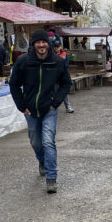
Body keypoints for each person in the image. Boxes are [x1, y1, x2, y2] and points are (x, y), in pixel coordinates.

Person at [10, 29, 71, 194]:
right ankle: (42, 161)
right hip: (30, 110)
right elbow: (14, 84)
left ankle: (51, 178)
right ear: (34, 44)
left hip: (49, 109)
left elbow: (66, 83)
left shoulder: (57, 61)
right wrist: (22, 106)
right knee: (35, 142)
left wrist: (56, 102)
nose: (41, 45)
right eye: (38, 42)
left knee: (48, 142)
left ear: (48, 43)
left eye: (44, 42)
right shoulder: (23, 61)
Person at [51, 36, 74, 113]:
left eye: (58, 47)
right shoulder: (50, 55)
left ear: (60, 47)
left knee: (64, 92)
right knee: (54, 92)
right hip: (54, 77)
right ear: (53, 47)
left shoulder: (64, 54)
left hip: (63, 76)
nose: (56, 48)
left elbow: (67, 64)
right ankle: (54, 107)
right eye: (55, 47)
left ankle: (68, 106)